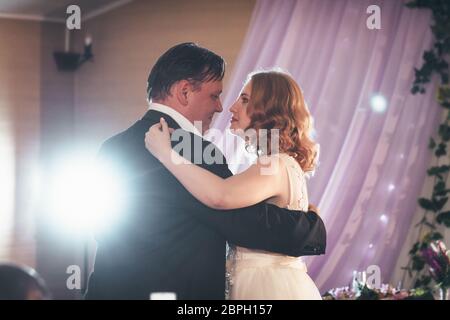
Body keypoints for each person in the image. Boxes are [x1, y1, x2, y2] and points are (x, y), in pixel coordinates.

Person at [85, 43, 326, 300]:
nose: (222, 107)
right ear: (185, 92)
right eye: (214, 95)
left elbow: (100, 229)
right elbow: (242, 221)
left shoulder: (111, 147)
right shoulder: (194, 151)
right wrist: (311, 228)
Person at [146, 69, 322, 299]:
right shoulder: (278, 163)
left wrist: (165, 154)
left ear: (270, 109)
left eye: (245, 99)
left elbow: (221, 196)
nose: (232, 107)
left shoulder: (275, 163)